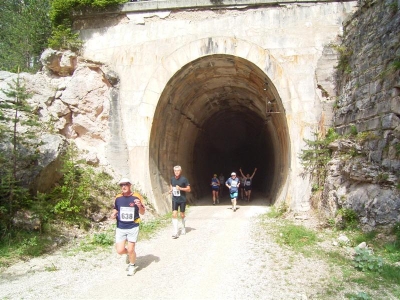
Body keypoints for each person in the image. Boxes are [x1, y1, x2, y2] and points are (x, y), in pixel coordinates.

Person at [110, 177, 145, 276]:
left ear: (130, 185)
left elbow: (142, 212)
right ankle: (130, 255)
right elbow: (116, 209)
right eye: (121, 185)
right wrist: (113, 214)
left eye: (125, 184)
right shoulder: (118, 197)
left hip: (133, 226)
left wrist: (139, 206)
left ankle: (132, 265)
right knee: (120, 250)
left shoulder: (136, 196)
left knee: (130, 248)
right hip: (120, 227)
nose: (123, 186)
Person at [169, 165, 191, 239]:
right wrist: (171, 189)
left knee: (182, 214)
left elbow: (189, 189)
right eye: (175, 171)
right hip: (175, 199)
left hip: (182, 199)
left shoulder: (184, 179)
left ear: (180, 171)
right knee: (174, 214)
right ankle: (175, 232)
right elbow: (171, 185)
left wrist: (180, 188)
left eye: (178, 171)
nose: (176, 172)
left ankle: (183, 227)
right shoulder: (172, 179)